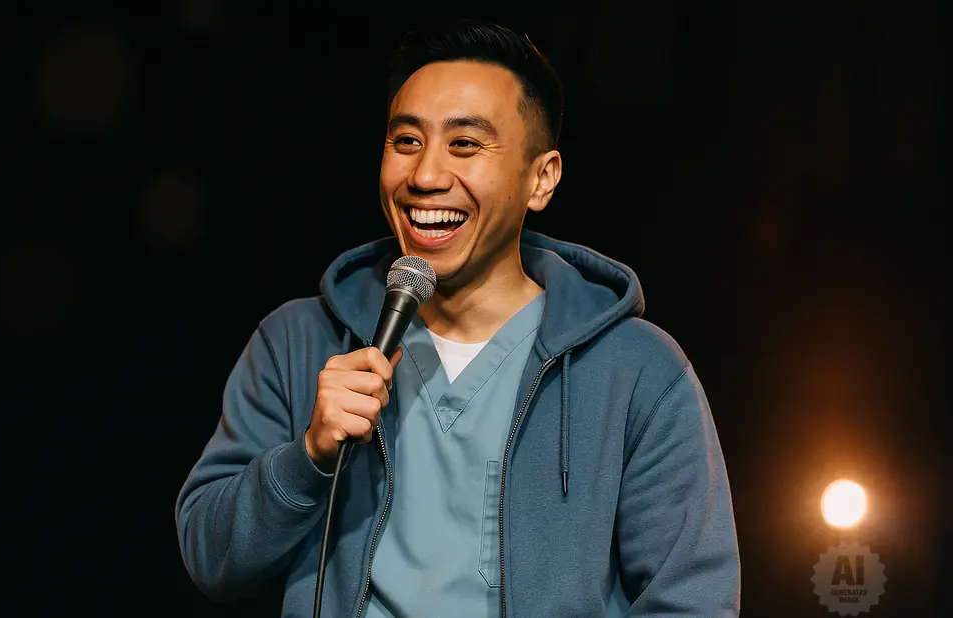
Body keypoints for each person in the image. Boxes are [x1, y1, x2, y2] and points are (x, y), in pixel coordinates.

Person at [176, 19, 740, 618]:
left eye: (465, 145)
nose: (425, 176)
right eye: (407, 141)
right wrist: (308, 456)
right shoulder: (298, 341)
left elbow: (691, 600)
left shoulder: (638, 370)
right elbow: (210, 558)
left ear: (541, 178)